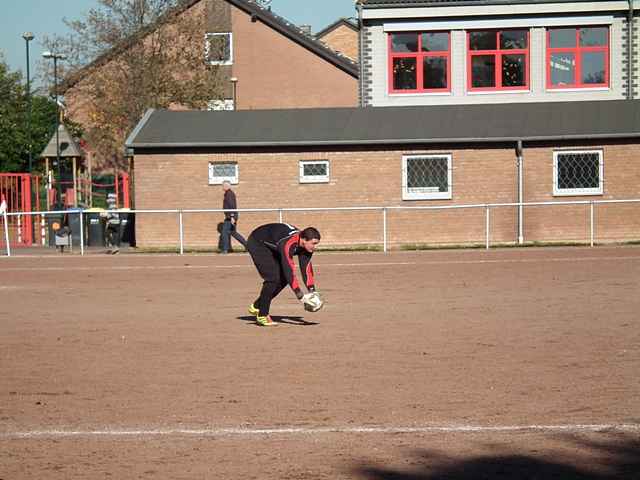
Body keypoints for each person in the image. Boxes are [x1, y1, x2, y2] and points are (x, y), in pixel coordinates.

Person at [247, 223, 321, 326]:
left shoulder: (306, 247)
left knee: (283, 279)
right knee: (272, 279)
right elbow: (289, 270)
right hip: (258, 242)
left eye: (316, 244)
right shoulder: (288, 244)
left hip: (273, 245)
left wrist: (312, 291)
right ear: (303, 239)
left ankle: (257, 306)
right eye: (313, 243)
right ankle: (262, 315)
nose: (314, 247)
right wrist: (300, 296)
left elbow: (306, 268)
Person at [220, 181, 246, 253]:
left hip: (231, 216)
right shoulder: (227, 194)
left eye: (223, 186)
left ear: (227, 186)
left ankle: (225, 249)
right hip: (230, 216)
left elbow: (232, 206)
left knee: (224, 232)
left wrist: (232, 216)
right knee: (233, 232)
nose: (222, 187)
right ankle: (247, 246)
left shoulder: (229, 194)